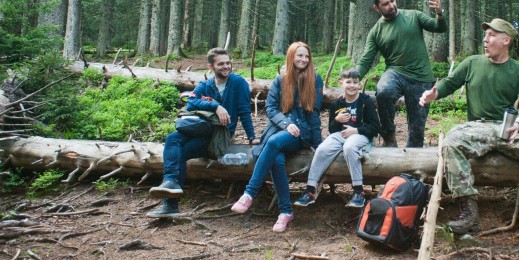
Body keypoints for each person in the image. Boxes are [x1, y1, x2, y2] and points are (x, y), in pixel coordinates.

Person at [419, 18, 519, 245]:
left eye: (491, 36)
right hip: (479, 126)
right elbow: (450, 82)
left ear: (505, 40)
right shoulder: (472, 63)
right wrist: (433, 93)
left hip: (509, 128)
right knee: (451, 142)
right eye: (485, 35)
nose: (485, 40)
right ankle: (469, 214)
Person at [147, 48, 257, 218]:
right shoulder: (206, 85)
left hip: (219, 136)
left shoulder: (238, 83)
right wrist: (216, 106)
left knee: (180, 153)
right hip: (200, 130)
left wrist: (251, 137)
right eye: (221, 64)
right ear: (211, 66)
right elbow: (191, 102)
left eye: (228, 63)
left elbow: (244, 111)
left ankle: (170, 204)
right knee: (172, 139)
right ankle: (170, 183)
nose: (226, 66)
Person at [231, 41, 323, 232]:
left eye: (306, 56)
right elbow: (271, 109)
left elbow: (314, 112)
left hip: (301, 132)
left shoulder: (316, 79)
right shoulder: (280, 80)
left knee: (273, 144)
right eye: (299, 55)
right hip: (278, 128)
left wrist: (318, 144)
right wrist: (285, 123)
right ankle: (285, 212)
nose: (303, 59)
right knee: (277, 160)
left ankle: (249, 192)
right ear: (291, 56)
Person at [356, 0, 447, 148]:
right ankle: (389, 134)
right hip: (395, 72)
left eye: (392, 1)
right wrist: (353, 79)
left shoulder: (414, 16)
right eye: (385, 4)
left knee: (417, 132)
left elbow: (439, 28)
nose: (391, 5)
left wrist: (439, 13)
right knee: (383, 91)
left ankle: (411, 167)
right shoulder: (376, 31)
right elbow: (366, 60)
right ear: (377, 7)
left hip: (421, 77)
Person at [293, 68, 381, 208]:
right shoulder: (336, 104)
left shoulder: (365, 101)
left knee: (349, 147)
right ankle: (310, 190)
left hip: (361, 135)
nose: (352, 85)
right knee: (322, 149)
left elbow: (375, 127)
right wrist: (337, 120)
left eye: (355, 82)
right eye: (348, 82)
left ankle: (358, 192)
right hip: (340, 135)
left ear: (359, 84)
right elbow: (332, 129)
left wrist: (356, 130)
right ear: (341, 84)